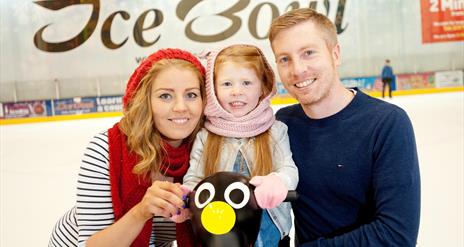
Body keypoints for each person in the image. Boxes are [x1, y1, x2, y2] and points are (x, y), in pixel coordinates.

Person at [268, 8, 420, 247]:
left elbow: (396, 236)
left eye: (308, 53)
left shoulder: (387, 123)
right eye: (284, 59)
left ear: (335, 54)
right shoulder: (283, 124)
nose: (297, 69)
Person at [48, 48, 206, 247]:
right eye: (165, 96)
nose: (181, 107)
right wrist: (141, 211)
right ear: (145, 101)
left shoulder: (206, 151)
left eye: (191, 94)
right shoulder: (105, 149)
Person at [183, 44, 299, 246]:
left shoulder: (275, 131)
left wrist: (279, 181)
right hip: (221, 232)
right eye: (227, 84)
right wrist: (189, 196)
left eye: (246, 83)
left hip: (270, 230)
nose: (237, 91)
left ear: (263, 87)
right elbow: (194, 177)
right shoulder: (206, 136)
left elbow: (289, 168)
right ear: (213, 89)